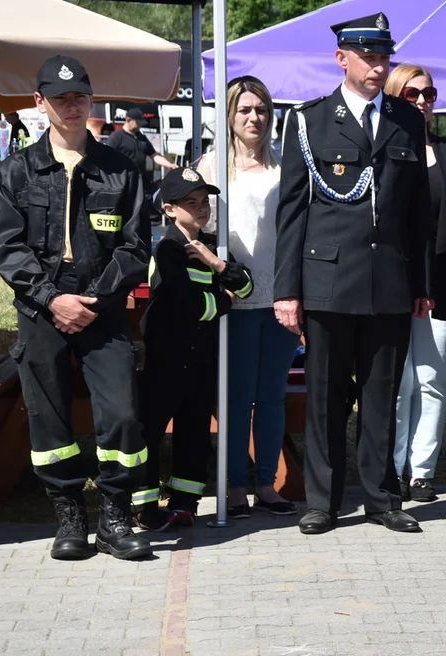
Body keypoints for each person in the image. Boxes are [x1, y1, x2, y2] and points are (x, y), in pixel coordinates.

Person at [274, 12, 434, 535]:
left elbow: (417, 213)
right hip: (327, 279)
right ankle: (322, 500)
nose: (378, 65)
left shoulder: (407, 119)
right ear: (342, 58)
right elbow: (293, 213)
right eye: (367, 55)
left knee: (382, 395)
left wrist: (423, 285)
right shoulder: (309, 120)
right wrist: (287, 291)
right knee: (324, 398)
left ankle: (382, 497)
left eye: (384, 55)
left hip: (389, 280)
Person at [0, 56, 151, 560]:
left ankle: (114, 516)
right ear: (39, 103)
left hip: (101, 305)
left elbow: (135, 246)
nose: (72, 105)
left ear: (91, 99)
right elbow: (7, 248)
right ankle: (69, 515)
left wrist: (96, 300)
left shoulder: (121, 169)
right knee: (49, 420)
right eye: (61, 98)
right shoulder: (16, 170)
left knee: (123, 413)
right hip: (41, 306)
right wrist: (51, 299)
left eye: (80, 95)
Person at [198, 77, 298, 518]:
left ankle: (268, 485)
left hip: (279, 299)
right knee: (236, 397)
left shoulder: (284, 167)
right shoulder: (212, 167)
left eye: (261, 109)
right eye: (244, 110)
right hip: (233, 301)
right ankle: (235, 485)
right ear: (230, 117)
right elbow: (197, 227)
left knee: (272, 394)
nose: (253, 117)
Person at [384, 63, 446, 502]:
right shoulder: (382, 150)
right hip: (390, 285)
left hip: (443, 286)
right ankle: (389, 469)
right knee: (395, 383)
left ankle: (421, 472)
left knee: (430, 380)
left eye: (429, 93)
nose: (423, 101)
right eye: (412, 94)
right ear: (393, 97)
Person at [134, 168, 254, 531]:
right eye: (192, 203)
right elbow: (185, 304)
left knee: (195, 433)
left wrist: (218, 264)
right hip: (167, 358)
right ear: (169, 209)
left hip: (202, 359)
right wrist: (225, 300)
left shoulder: (216, 244)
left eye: (205, 202)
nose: (202, 209)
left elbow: (247, 287)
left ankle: (185, 503)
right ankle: (144, 505)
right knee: (149, 431)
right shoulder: (168, 248)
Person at [107, 107, 178, 191]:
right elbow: (107, 156)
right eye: (138, 123)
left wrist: (169, 165)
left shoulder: (141, 137)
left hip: (141, 181)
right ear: (129, 120)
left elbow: (154, 155)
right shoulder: (117, 137)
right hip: (123, 181)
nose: (140, 126)